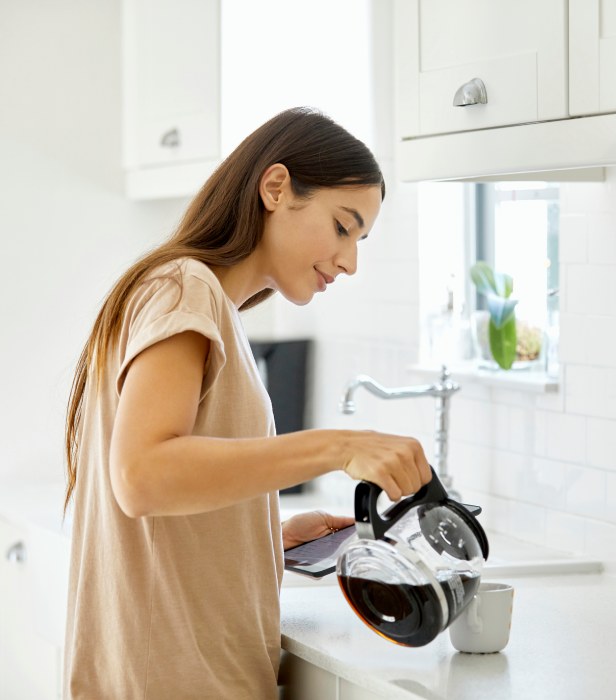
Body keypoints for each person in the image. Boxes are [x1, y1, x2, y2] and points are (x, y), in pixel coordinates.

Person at [62, 107, 432, 699]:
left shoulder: (197, 300)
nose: (350, 261)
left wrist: (263, 533)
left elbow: (162, 500)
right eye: (343, 227)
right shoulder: (185, 290)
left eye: (360, 240)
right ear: (277, 188)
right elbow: (142, 477)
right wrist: (337, 446)